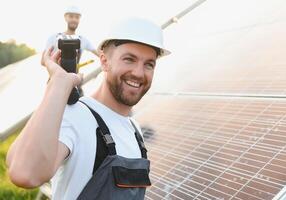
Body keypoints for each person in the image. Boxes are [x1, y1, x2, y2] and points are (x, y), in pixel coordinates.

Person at [6, 17, 170, 200]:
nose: (139, 73)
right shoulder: (75, 115)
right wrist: (59, 83)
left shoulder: (135, 129)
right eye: (129, 59)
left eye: (149, 64)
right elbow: (25, 173)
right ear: (104, 61)